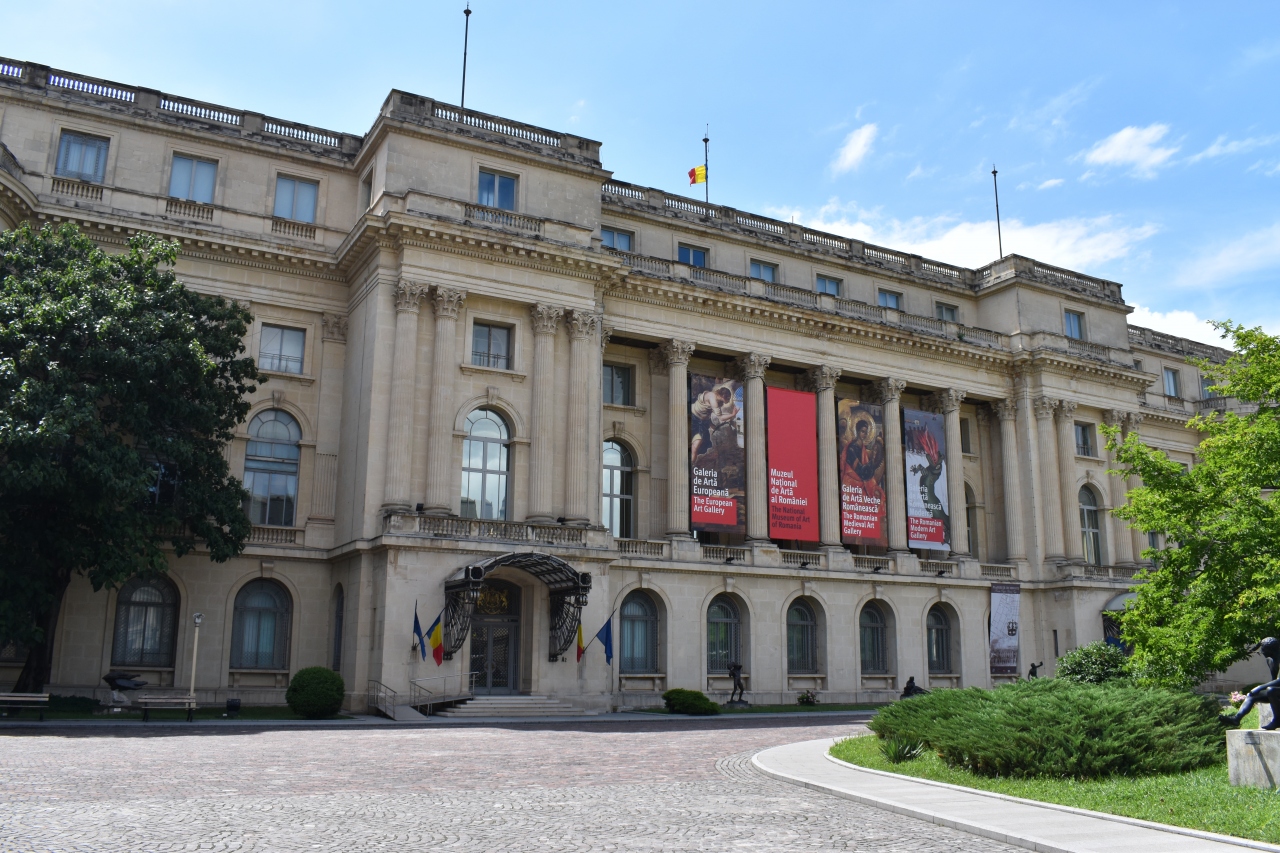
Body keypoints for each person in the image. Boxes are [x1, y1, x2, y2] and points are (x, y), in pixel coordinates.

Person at [1221, 637, 1280, 730]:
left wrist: (1260, 687)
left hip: (1275, 691)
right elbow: (1274, 680)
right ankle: (1236, 718)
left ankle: (1277, 720)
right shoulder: (1270, 660)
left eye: (1264, 649)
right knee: (1252, 695)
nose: (1261, 652)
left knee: (1271, 690)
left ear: (1271, 650)